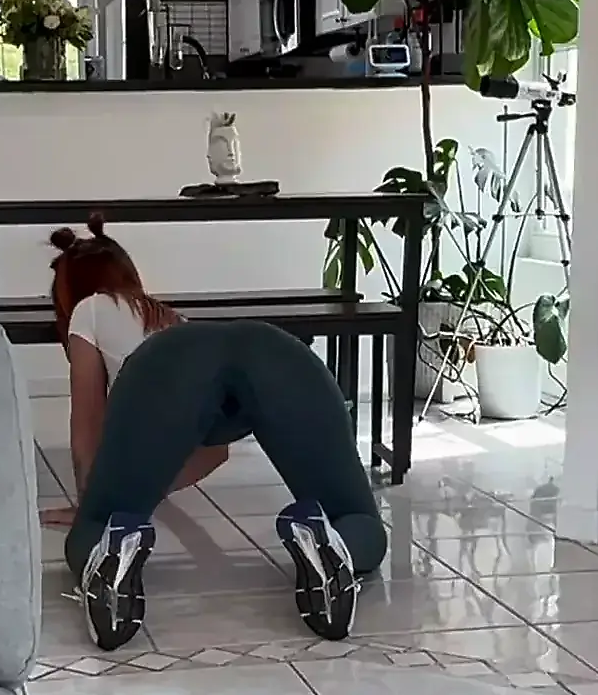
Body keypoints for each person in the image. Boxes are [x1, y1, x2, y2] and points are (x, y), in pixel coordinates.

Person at [42, 215, 388, 651]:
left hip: (169, 369)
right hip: (281, 353)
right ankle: (338, 548)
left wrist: (97, 506)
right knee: (359, 518)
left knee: (90, 532)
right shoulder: (168, 317)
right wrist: (145, 487)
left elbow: (86, 429)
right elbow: (215, 452)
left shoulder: (90, 310)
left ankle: (108, 552)